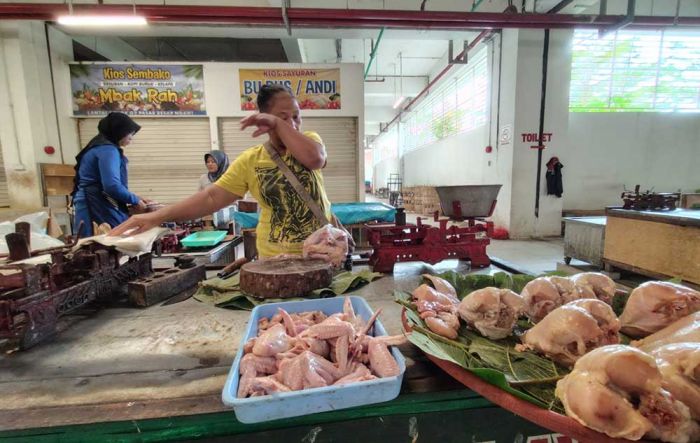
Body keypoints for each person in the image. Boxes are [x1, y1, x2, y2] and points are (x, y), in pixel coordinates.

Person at [111, 85, 338, 258]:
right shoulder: (251, 160)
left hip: (321, 253)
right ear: (266, 118)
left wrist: (280, 124)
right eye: (283, 117)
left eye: (296, 116)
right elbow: (211, 197)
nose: (294, 124)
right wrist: (155, 217)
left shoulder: (310, 141)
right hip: (276, 259)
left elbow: (315, 159)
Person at [72, 112, 148, 237]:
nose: (131, 137)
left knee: (92, 244)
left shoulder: (98, 147)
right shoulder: (108, 150)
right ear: (119, 131)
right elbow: (112, 186)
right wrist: (135, 200)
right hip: (96, 204)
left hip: (93, 201)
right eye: (129, 132)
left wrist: (137, 197)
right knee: (106, 242)